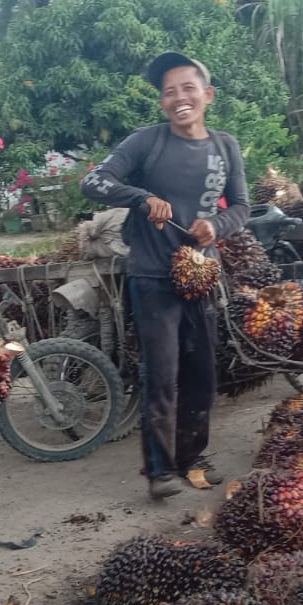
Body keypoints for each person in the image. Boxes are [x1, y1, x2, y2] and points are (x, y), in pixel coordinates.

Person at [80, 52, 250, 500]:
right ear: (162, 102)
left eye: (188, 88)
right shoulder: (145, 142)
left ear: (207, 95)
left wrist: (218, 226)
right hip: (153, 277)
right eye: (169, 92)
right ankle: (160, 472)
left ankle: (192, 458)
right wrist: (140, 197)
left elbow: (243, 207)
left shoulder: (225, 147)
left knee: (202, 373)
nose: (179, 98)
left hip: (202, 276)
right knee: (162, 373)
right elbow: (93, 181)